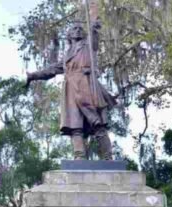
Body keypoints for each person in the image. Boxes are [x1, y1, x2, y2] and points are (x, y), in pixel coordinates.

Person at [25, 1, 116, 160]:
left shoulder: (88, 46)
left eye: (80, 28)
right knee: (75, 126)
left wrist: (94, 17)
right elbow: (51, 70)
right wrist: (33, 75)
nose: (78, 30)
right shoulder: (67, 57)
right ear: (69, 35)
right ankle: (79, 156)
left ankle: (108, 157)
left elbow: (94, 32)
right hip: (72, 91)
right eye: (74, 29)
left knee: (98, 124)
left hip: (88, 85)